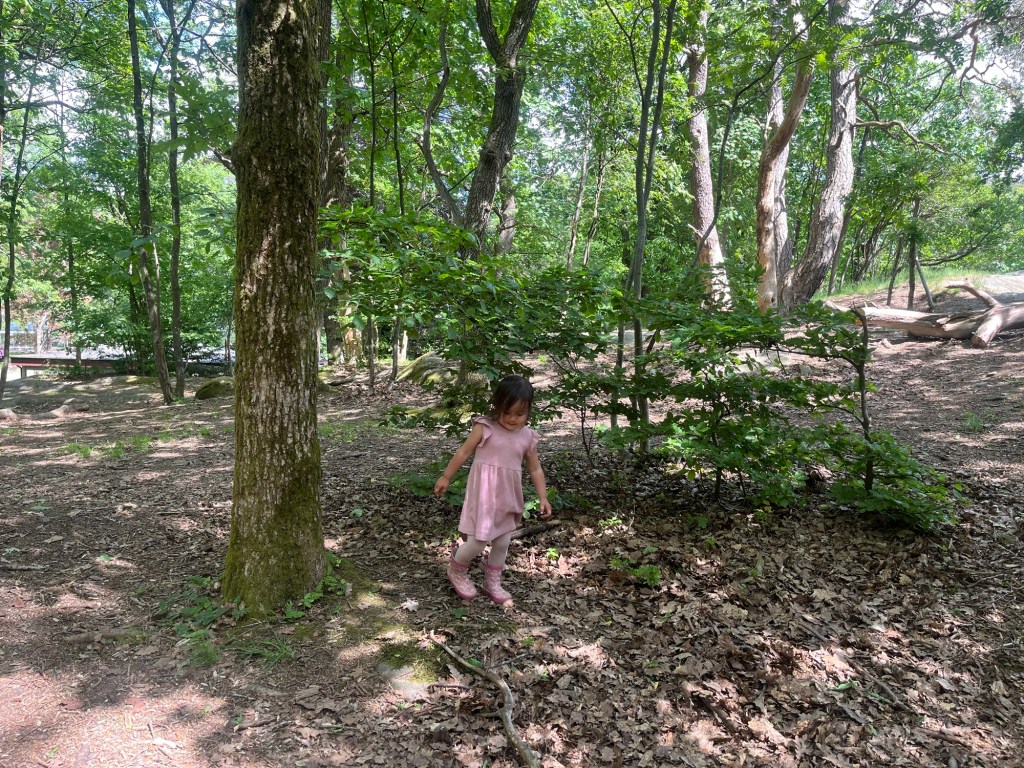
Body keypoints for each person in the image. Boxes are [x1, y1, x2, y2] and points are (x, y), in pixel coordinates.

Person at [434, 375, 552, 604]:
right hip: (484, 495)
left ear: (529, 411)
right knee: (478, 542)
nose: (512, 419)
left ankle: (493, 582)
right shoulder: (485, 427)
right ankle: (457, 568)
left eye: (519, 414)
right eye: (506, 412)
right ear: (497, 406)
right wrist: (446, 476)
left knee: (503, 541)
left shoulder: (527, 436)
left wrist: (543, 497)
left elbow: (535, 469)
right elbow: (463, 452)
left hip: (508, 496)